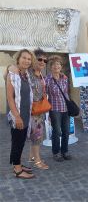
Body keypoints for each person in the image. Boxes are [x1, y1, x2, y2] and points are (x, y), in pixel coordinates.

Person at [8, 48, 50, 170]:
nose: (42, 62)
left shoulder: (42, 75)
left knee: (36, 136)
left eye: (45, 60)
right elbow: (10, 74)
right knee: (36, 137)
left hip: (40, 111)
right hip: (30, 111)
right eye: (39, 59)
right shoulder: (27, 73)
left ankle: (32, 157)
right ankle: (37, 161)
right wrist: (10, 67)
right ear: (33, 60)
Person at [6, 49, 35, 179]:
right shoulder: (12, 74)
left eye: (29, 59)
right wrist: (17, 116)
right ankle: (17, 170)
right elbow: (10, 98)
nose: (27, 61)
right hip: (17, 115)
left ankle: (18, 164)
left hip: (26, 114)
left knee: (21, 141)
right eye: (24, 58)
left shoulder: (26, 75)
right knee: (17, 141)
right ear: (18, 59)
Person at [45, 55, 72, 162]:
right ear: (50, 67)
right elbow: (44, 95)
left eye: (58, 64)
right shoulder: (47, 80)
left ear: (61, 66)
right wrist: (47, 112)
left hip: (65, 109)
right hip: (55, 109)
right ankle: (56, 153)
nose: (56, 66)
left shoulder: (64, 78)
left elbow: (66, 93)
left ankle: (64, 151)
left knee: (66, 131)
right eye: (54, 64)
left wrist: (70, 106)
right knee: (57, 132)